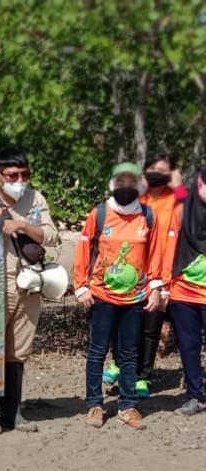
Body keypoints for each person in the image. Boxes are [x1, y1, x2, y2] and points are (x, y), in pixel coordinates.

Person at [0, 148, 59, 434]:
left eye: (25, 174)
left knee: (19, 350)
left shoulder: (37, 198)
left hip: (29, 282)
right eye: (12, 175)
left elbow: (52, 235)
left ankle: (12, 413)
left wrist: (23, 225)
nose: (20, 180)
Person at [73, 162, 163, 430]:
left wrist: (157, 286)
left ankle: (127, 405)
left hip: (135, 297)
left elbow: (155, 252)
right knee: (97, 351)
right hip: (101, 295)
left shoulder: (148, 216)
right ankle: (94, 404)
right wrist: (81, 285)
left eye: (131, 182)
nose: (126, 187)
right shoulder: (98, 214)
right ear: (113, 183)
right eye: (121, 182)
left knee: (129, 352)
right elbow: (83, 248)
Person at [101, 153, 187, 397]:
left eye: (164, 170)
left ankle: (142, 377)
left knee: (150, 329)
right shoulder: (138, 197)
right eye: (154, 169)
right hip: (131, 270)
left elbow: (192, 213)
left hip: (162, 272)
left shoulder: (176, 201)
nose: (158, 173)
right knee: (122, 325)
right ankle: (119, 362)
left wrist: (179, 184)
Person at [161, 168, 206, 416]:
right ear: (199, 182)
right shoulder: (182, 207)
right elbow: (168, 247)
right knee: (188, 345)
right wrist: (164, 285)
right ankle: (195, 395)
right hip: (183, 292)